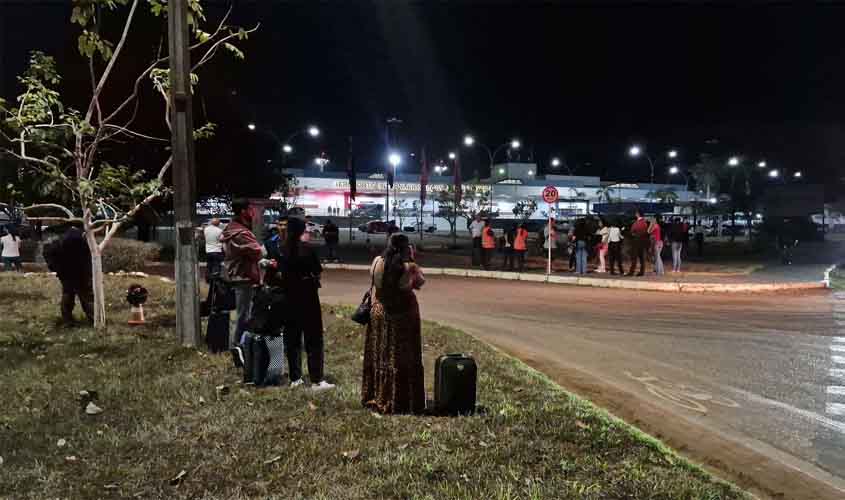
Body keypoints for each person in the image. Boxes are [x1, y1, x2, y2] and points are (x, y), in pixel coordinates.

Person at [362, 233, 425, 414]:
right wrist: (413, 260)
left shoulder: (377, 261)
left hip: (379, 312)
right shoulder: (409, 267)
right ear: (406, 247)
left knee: (380, 353)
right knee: (401, 356)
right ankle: (400, 399)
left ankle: (377, 394)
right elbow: (420, 283)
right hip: (403, 314)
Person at [281, 217, 334, 390]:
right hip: (308, 296)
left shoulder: (283, 249)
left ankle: (295, 377)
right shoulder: (307, 249)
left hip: (288, 297)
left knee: (292, 338)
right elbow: (317, 271)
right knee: (313, 338)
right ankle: (317, 379)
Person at [220, 199, 264, 346]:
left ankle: (239, 343)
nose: (254, 212)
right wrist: (262, 250)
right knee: (243, 315)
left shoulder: (231, 228)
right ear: (244, 211)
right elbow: (257, 251)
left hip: (237, 275)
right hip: (243, 276)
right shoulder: (241, 232)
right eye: (251, 209)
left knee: (242, 312)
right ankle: (238, 345)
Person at [51, 223, 94, 325]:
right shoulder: (82, 239)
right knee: (87, 298)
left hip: (66, 273)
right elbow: (89, 256)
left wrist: (58, 269)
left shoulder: (61, 240)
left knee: (68, 296)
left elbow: (53, 254)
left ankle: (67, 319)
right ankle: (93, 319)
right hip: (82, 273)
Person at [626, 210, 649, 277]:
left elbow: (632, 231)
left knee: (634, 258)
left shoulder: (636, 223)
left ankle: (631, 272)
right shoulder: (644, 223)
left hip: (636, 241)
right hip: (642, 242)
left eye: (636, 213)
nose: (635, 214)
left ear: (638, 214)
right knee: (642, 258)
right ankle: (641, 272)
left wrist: (632, 234)